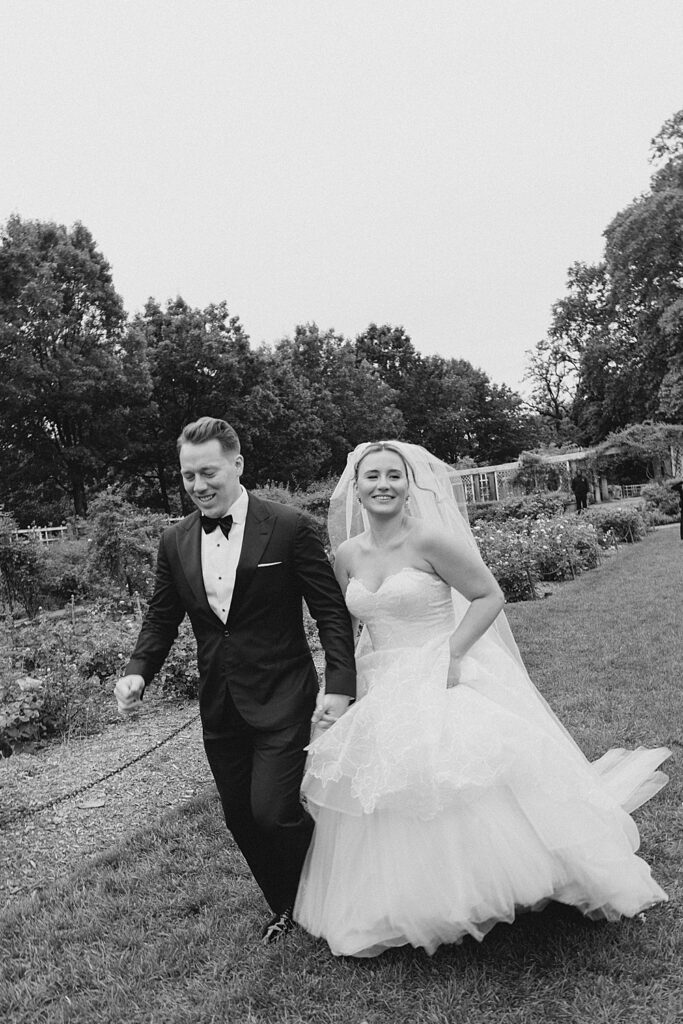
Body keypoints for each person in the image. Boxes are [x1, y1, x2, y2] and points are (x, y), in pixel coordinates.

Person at [294, 441, 670, 958]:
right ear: (355, 488)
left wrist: (451, 654)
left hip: (444, 668)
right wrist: (345, 683)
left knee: (462, 775)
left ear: (409, 485)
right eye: (372, 476)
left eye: (394, 476)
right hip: (381, 676)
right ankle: (409, 897)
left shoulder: (430, 538)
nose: (383, 485)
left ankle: (503, 878)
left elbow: (488, 594)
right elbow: (351, 621)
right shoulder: (347, 555)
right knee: (388, 787)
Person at [114, 417, 356, 944]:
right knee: (242, 820)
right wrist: (138, 671)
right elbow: (161, 617)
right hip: (219, 704)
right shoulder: (174, 540)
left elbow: (331, 612)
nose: (198, 486)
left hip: (284, 695)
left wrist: (340, 683)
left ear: (237, 465)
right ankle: (288, 907)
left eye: (208, 472)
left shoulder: (289, 526)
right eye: (187, 476)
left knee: (274, 812)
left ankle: (332, 887)